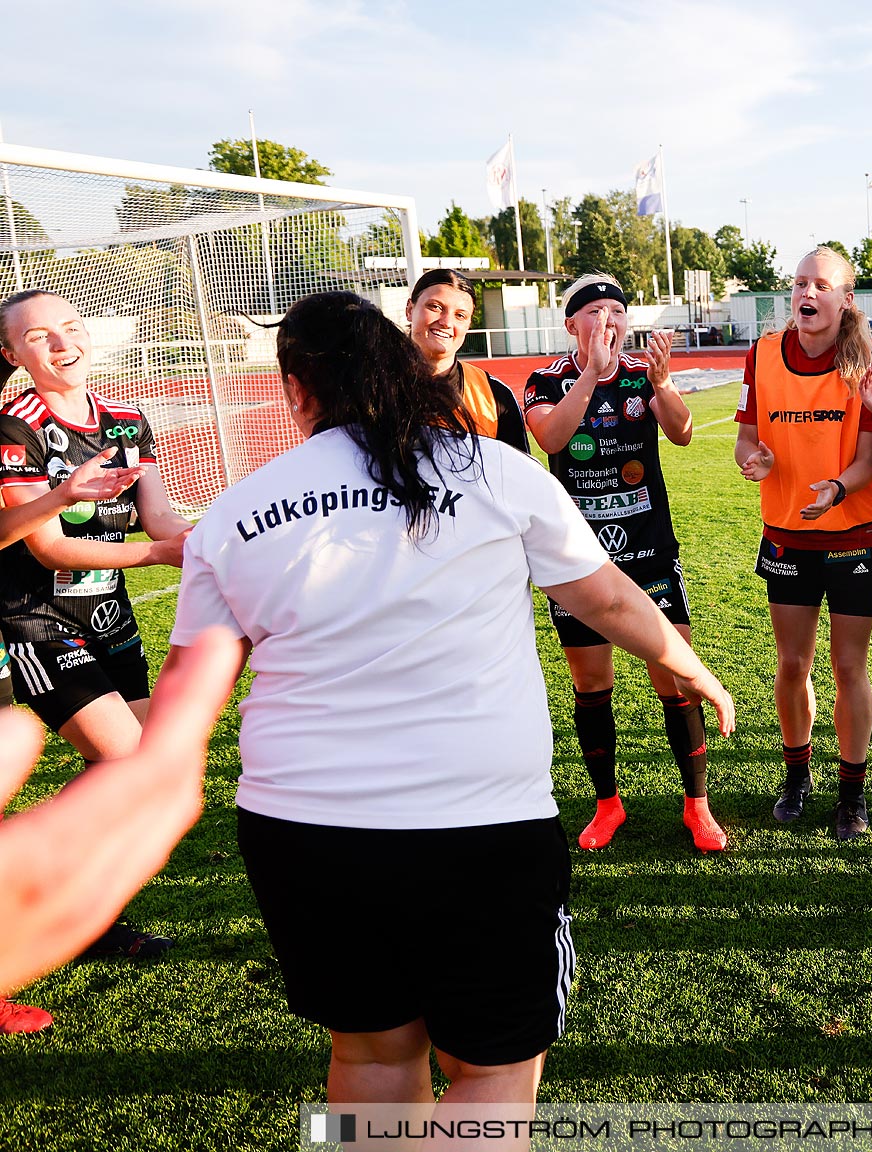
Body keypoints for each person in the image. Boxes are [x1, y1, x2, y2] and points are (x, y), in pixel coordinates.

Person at [168, 292, 733, 1133]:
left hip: (300, 834)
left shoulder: (235, 513)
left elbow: (185, 710)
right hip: (475, 827)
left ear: (295, 388)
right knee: (494, 1070)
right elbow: (611, 599)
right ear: (398, 366)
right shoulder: (491, 471)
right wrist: (694, 669)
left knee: (369, 1053)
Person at [0, 289, 192, 961]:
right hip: (35, 619)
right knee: (122, 756)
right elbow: (47, 547)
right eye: (38, 336)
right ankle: (26, 871)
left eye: (70, 328)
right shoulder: (15, 425)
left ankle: (82, 915)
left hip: (110, 617)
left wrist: (212, 538)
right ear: (12, 354)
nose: (60, 343)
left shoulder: (125, 421)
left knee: (131, 775)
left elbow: (162, 517)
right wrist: (156, 552)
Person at [522, 275, 722, 852]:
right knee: (592, 682)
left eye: (618, 309)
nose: (609, 319)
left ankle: (697, 806)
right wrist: (589, 374)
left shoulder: (641, 375)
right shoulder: (546, 381)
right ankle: (608, 804)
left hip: (648, 550)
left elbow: (682, 433)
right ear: (572, 326)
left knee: (675, 675)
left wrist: (662, 385)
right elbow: (554, 441)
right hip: (579, 562)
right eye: (596, 311)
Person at [0, 628, 239, 1034]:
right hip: (40, 614)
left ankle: (69, 909)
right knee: (122, 754)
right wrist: (165, 557)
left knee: (128, 756)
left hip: (102, 612)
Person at [735, 247, 872, 840]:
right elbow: (746, 440)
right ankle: (796, 775)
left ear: (845, 299)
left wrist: (838, 488)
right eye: (800, 282)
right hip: (787, 537)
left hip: (852, 535)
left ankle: (853, 790)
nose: (807, 293)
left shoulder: (866, 363)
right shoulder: (764, 354)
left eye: (821, 284)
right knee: (792, 664)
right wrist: (755, 459)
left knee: (850, 667)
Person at [403, 268, 528, 452]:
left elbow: (518, 475)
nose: (446, 322)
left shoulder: (495, 396)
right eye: (435, 307)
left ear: (468, 324)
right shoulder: (370, 387)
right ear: (410, 310)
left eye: (460, 315)